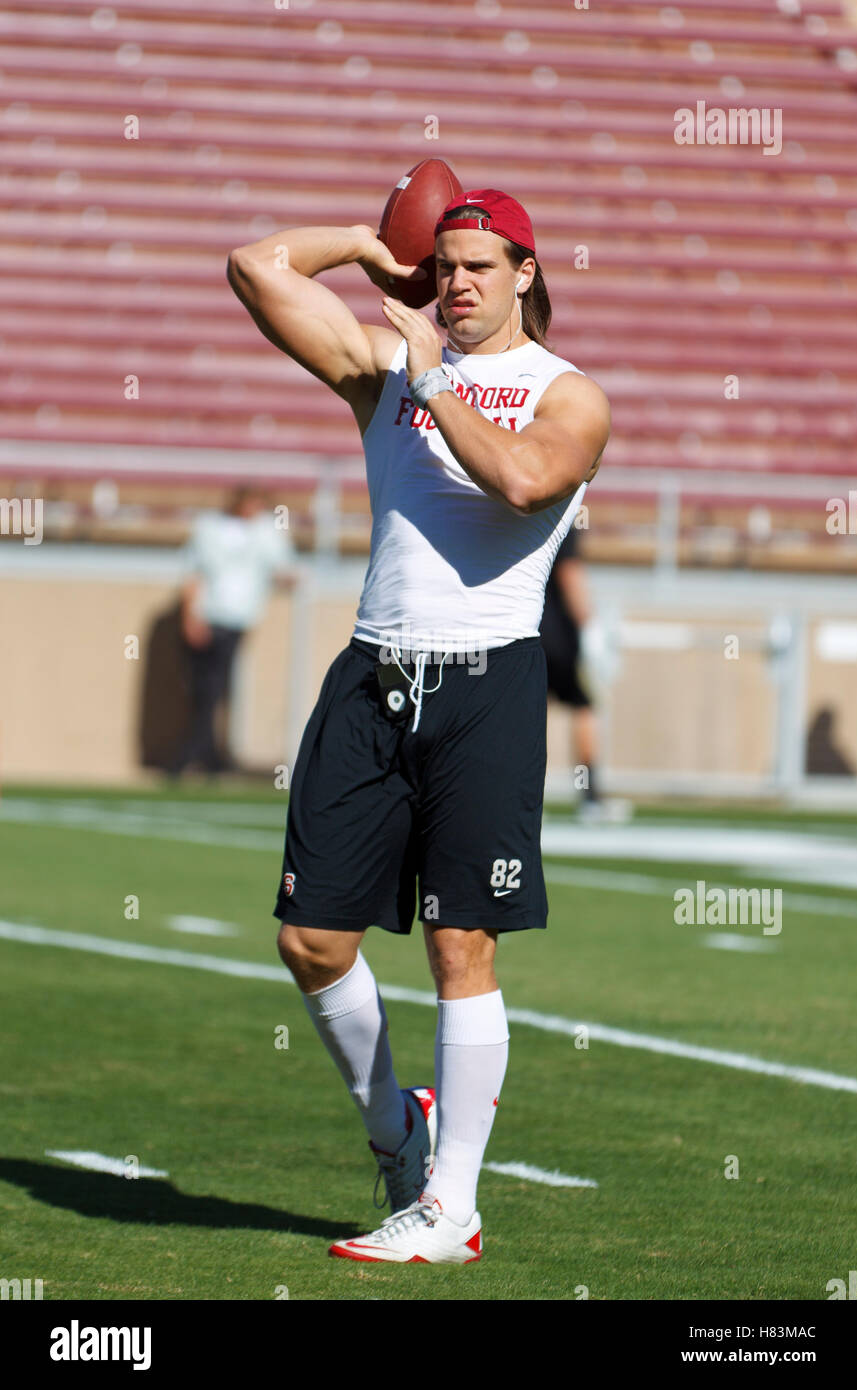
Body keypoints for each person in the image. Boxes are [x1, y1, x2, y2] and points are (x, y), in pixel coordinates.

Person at [227, 189, 609, 1263]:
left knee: (459, 943)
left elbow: (525, 481)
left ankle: (449, 1207)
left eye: (480, 265)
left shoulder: (567, 394)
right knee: (308, 938)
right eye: (443, 265)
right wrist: (358, 246)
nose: (457, 283)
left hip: (485, 681)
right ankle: (397, 1132)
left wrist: (434, 377)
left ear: (525, 273)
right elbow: (255, 268)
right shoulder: (386, 364)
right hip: (371, 672)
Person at [170, 487, 292, 776]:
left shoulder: (265, 533)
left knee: (216, 688)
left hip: (236, 621)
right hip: (208, 617)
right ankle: (202, 754)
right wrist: (191, 616)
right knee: (203, 689)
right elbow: (193, 574)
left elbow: (284, 567)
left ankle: (204, 755)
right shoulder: (210, 528)